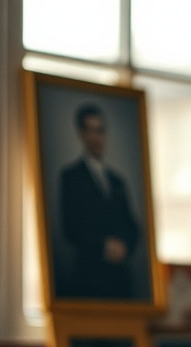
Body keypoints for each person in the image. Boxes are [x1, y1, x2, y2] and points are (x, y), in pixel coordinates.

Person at [57, 103, 142, 299]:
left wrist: (124, 246)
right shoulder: (71, 177)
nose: (97, 138)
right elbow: (70, 228)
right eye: (91, 131)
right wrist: (103, 246)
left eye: (100, 130)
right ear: (81, 134)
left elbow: (132, 225)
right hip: (89, 279)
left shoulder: (116, 180)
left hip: (120, 282)